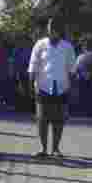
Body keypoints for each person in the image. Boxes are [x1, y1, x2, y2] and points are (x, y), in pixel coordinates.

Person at [29, 19, 76, 157]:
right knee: (42, 119)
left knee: (58, 120)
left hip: (61, 87)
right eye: (50, 28)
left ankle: (55, 149)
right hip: (43, 86)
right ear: (47, 29)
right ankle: (43, 149)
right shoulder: (40, 44)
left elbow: (72, 68)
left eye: (55, 28)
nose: (52, 30)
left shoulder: (67, 47)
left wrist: (72, 87)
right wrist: (30, 80)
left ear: (59, 30)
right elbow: (33, 64)